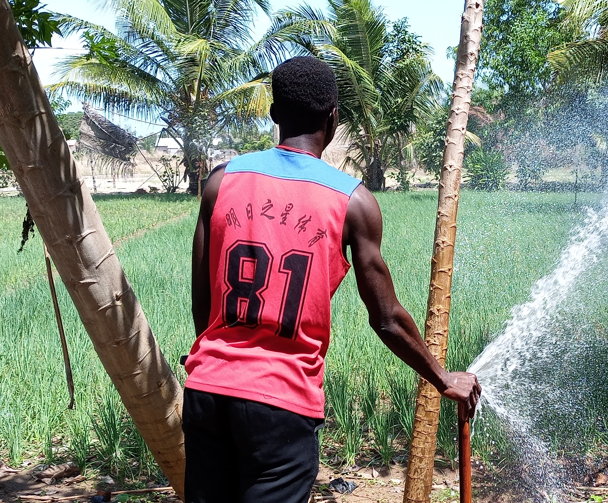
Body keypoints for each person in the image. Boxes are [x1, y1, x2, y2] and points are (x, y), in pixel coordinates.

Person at [184, 56, 481, 503]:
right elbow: (386, 319)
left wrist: (226, 367)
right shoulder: (352, 202)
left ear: (273, 113)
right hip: (281, 403)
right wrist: (442, 378)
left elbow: (202, 307)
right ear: (334, 118)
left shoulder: (221, 183)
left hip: (207, 392)